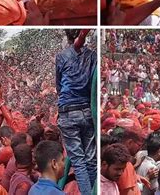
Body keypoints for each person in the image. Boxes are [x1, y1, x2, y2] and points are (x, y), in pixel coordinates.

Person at [55, 29, 97, 195]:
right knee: (91, 159)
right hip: (87, 112)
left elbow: (59, 87)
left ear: (66, 36)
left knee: (78, 161)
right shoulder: (93, 56)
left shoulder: (62, 56)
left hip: (68, 112)